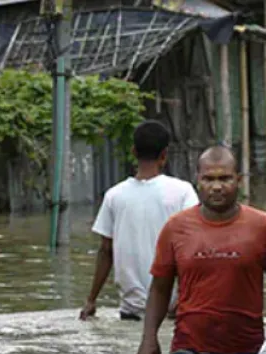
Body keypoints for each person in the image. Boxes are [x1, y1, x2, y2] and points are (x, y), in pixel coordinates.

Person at [131, 146, 266, 354]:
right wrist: (148, 339)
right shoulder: (175, 228)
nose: (217, 187)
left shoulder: (264, 227)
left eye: (225, 178)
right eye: (209, 179)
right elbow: (160, 289)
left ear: (239, 180)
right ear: (198, 181)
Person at [80, 120, 199, 321]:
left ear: (133, 152)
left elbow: (105, 251)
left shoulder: (114, 196)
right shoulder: (183, 192)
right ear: (164, 155)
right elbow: (194, 248)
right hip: (172, 311)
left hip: (130, 312)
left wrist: (91, 300)